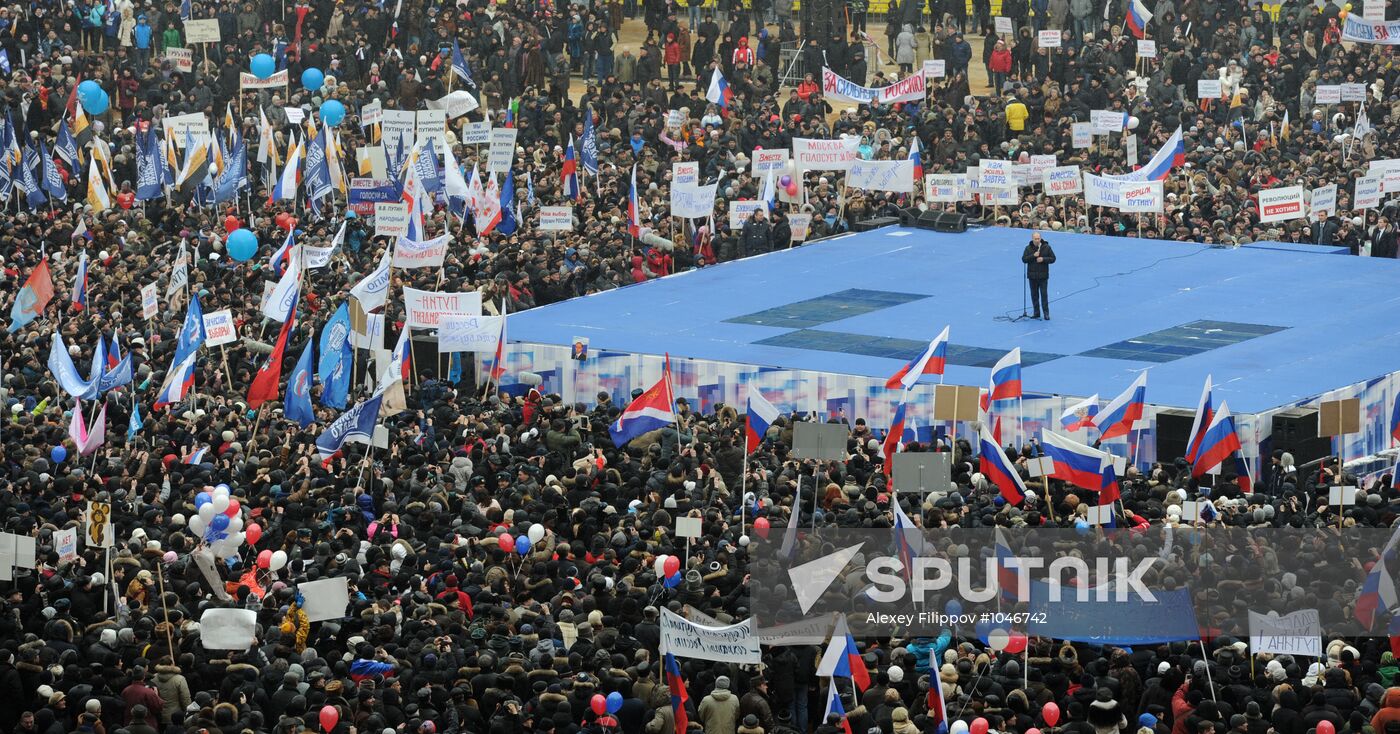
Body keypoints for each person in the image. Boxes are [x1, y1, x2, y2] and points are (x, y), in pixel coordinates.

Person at [1022, 231, 1056, 319]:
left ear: (1040, 238)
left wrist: (1043, 259)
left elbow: (1053, 258)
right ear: (1032, 239)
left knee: (1044, 295)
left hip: (1043, 276)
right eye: (1035, 239)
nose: (1037, 240)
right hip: (1032, 277)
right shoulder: (1028, 248)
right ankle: (1036, 313)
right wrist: (1033, 255)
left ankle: (1046, 313)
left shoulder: (1047, 247)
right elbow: (1024, 259)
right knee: (1034, 295)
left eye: (1038, 239)